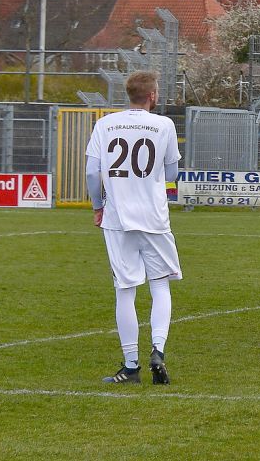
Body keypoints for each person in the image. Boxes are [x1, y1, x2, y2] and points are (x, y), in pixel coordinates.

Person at [85, 70, 181, 385]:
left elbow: (91, 172)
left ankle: (130, 366)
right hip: (153, 217)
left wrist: (98, 206)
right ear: (152, 95)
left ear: (129, 94)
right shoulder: (164, 124)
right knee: (160, 286)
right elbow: (172, 173)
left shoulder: (105, 123)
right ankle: (158, 350)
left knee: (125, 290)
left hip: (117, 218)